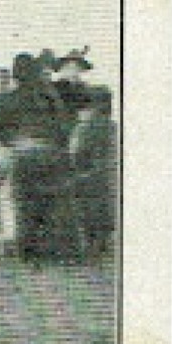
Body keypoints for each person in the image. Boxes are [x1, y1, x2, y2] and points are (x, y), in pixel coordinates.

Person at [68, 86, 116, 256]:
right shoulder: (114, 127)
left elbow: (74, 154)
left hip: (89, 178)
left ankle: (90, 244)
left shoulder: (85, 129)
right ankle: (103, 241)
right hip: (109, 179)